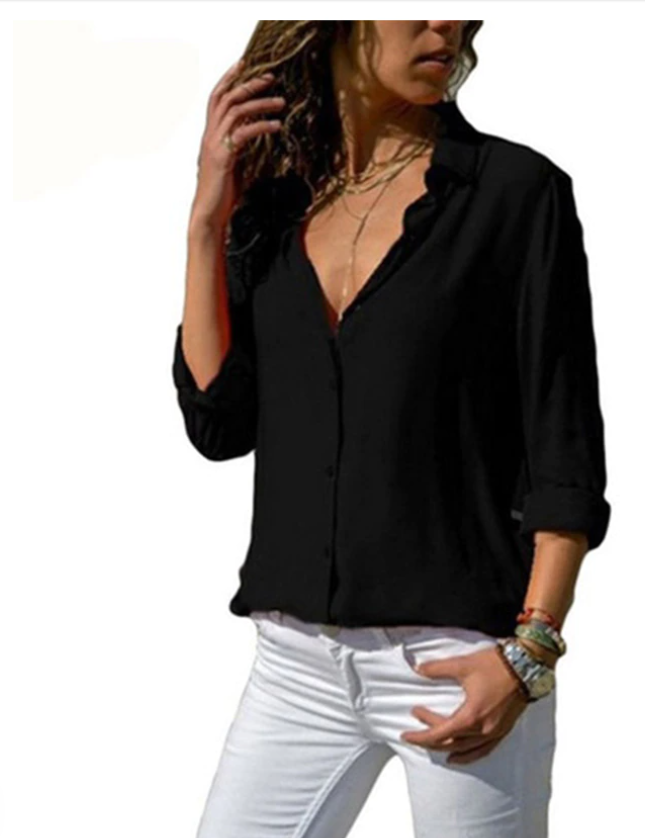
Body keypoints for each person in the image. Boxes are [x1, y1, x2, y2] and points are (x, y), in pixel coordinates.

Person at [172, 20, 611, 838]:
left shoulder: (516, 194)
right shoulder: (277, 202)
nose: (449, 22)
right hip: (295, 667)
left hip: (460, 661)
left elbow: (564, 444)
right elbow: (218, 422)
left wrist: (529, 655)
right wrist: (206, 222)